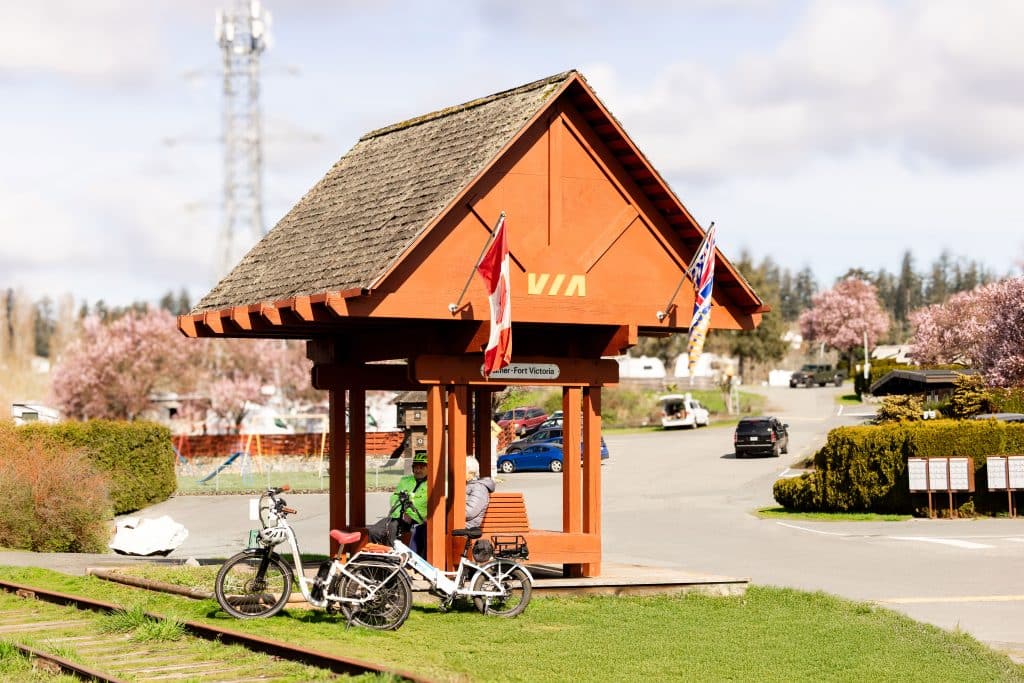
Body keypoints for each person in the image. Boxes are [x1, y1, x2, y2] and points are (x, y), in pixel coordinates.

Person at [392, 451, 429, 555]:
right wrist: (403, 515)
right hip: (403, 518)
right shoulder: (405, 480)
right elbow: (395, 498)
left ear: (429, 468)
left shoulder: (432, 484)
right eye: (416, 467)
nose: (418, 470)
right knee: (378, 530)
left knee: (419, 532)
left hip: (421, 521)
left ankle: (412, 562)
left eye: (422, 467)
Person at [465, 455, 495, 528]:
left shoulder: (479, 488)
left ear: (471, 472)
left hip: (467, 527)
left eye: (463, 470)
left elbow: (469, 512)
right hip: (460, 524)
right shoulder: (470, 485)